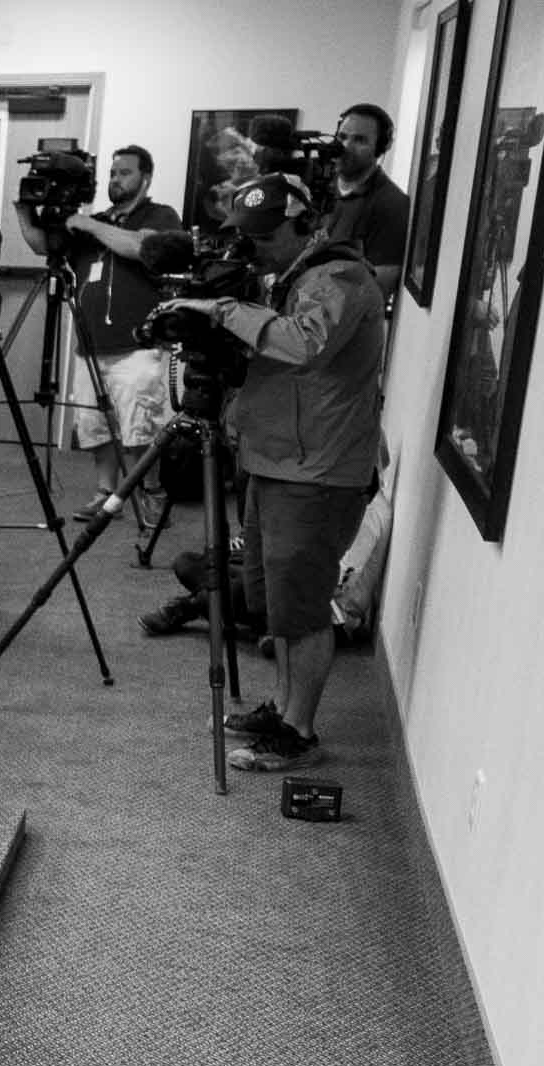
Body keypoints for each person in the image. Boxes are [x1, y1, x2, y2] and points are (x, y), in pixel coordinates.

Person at [160, 173, 385, 772]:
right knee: (272, 602)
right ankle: (283, 707)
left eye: (263, 235)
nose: (251, 247)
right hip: (276, 458)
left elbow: (304, 344)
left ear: (302, 224)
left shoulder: (339, 276)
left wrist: (225, 309)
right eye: (245, 234)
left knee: (302, 607)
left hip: (316, 471)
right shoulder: (291, 277)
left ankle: (299, 733)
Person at [14, 145, 182, 521]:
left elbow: (142, 247)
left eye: (125, 172)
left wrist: (88, 223)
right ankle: (106, 494)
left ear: (146, 177)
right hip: (90, 346)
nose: (115, 179)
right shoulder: (97, 221)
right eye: (112, 173)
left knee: (139, 427)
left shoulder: (159, 215)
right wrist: (26, 215)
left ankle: (151, 494)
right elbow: (47, 246)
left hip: (137, 344)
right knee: (94, 426)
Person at [322, 103, 410, 300]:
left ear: (381, 147)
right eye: (342, 137)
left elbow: (377, 290)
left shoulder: (392, 204)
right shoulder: (317, 186)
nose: (345, 147)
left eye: (359, 140)